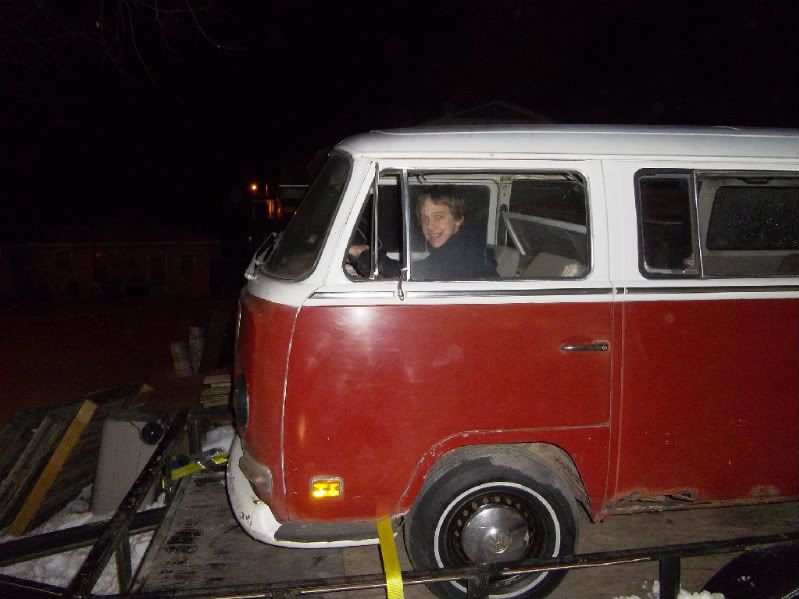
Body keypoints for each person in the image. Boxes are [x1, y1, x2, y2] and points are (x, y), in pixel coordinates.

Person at [348, 186, 497, 280]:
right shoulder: (449, 251)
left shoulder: (467, 255)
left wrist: (366, 256)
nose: (429, 226)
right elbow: (421, 269)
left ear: (458, 219)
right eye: (424, 218)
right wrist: (372, 256)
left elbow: (416, 274)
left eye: (438, 217)